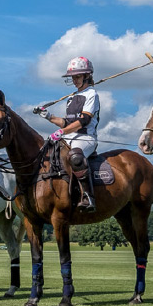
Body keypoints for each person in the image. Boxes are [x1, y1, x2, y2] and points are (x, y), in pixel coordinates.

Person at [46, 57, 101, 212]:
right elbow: (67, 122)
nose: (75, 80)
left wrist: (61, 132)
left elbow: (84, 120)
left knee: (75, 157)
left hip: (86, 137)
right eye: (73, 77)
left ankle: (88, 197)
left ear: (87, 76)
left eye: (77, 76)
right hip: (70, 136)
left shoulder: (92, 95)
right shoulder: (71, 98)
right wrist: (48, 116)